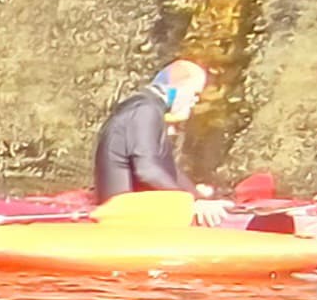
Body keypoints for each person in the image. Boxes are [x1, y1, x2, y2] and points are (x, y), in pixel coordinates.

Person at [94, 60, 234, 221]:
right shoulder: (143, 110)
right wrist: (190, 202)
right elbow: (147, 171)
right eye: (194, 93)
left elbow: (169, 170)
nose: (195, 101)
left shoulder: (149, 110)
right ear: (177, 88)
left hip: (135, 210)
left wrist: (199, 198)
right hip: (123, 217)